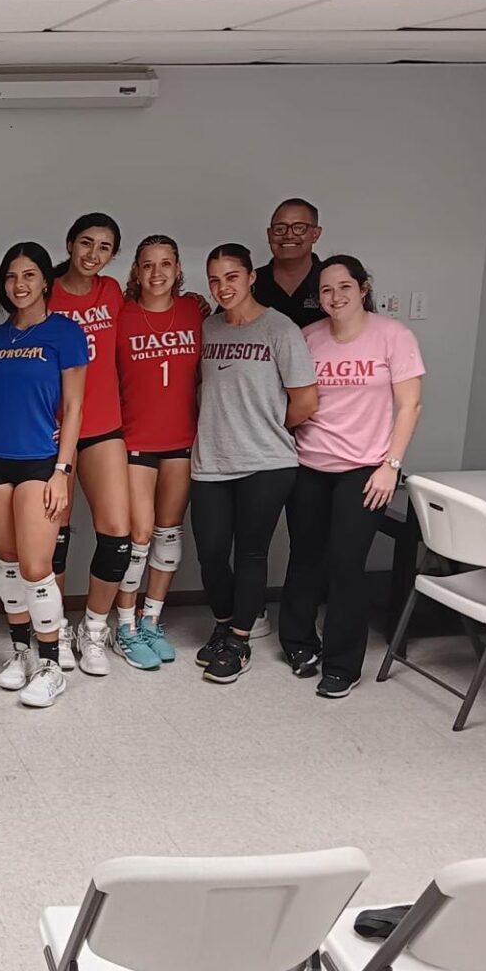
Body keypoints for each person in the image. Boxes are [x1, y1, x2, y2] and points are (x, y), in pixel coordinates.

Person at [281, 255, 424, 698]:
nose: (335, 296)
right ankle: (299, 644)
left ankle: (343, 664)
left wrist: (391, 466)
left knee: (345, 564)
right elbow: (293, 400)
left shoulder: (393, 336)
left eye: (344, 287)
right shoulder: (308, 338)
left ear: (363, 288)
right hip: (308, 465)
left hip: (365, 471)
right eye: (325, 290)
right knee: (305, 558)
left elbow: (410, 406)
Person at [192, 243, 318, 684]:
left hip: (266, 461)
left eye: (231, 276)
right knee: (209, 553)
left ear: (250, 278)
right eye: (214, 279)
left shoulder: (280, 330)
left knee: (249, 552)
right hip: (210, 460)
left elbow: (305, 401)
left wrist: (263, 427)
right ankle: (224, 623)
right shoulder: (206, 329)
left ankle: (240, 641)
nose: (222, 286)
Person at [0, 242, 88, 710]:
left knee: (37, 567)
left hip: (40, 460)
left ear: (45, 282)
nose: (19, 285)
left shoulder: (65, 333)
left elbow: (76, 406)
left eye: (28, 275)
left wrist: (63, 469)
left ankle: (50, 665)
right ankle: (21, 653)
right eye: (11, 277)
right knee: (8, 560)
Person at [46, 213, 134, 676]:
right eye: (85, 243)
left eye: (103, 247)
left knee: (119, 534)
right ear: (69, 242)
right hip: (55, 430)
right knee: (54, 535)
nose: (92, 254)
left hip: (103, 425)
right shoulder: (45, 291)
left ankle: (93, 629)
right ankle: (57, 627)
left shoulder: (113, 292)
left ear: (113, 255)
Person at [111, 235, 203, 670]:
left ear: (178, 268)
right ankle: (124, 626)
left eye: (166, 264)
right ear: (136, 271)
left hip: (182, 440)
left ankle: (152, 619)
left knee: (169, 532)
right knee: (139, 535)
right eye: (148, 265)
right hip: (135, 441)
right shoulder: (120, 316)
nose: (157, 273)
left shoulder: (194, 312)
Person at [254, 197, 325, 329]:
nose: (288, 235)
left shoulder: (334, 281)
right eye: (280, 229)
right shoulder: (249, 284)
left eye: (299, 228)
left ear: (315, 234)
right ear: (269, 235)